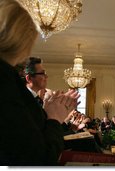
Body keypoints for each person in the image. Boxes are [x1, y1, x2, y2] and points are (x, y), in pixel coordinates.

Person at [0, 0, 79, 165]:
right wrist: (54, 117)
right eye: (42, 73)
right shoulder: (5, 81)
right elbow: (37, 158)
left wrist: (47, 113)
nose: (46, 77)